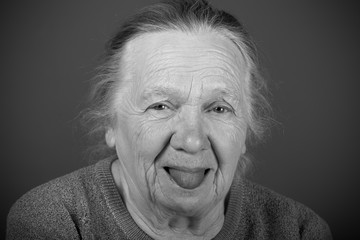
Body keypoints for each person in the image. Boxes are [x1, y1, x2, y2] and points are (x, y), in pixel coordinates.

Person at [6, 0, 332, 239]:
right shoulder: (55, 220)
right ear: (110, 122)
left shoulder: (299, 229)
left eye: (219, 108)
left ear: (246, 128)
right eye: (161, 106)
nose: (191, 140)